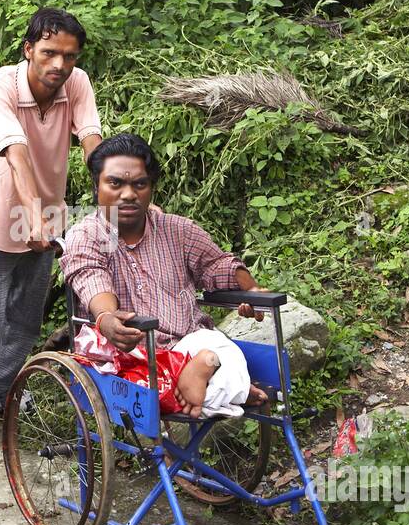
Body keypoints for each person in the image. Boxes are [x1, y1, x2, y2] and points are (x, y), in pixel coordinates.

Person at [0, 8, 103, 452]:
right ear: (29, 49)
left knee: (24, 322)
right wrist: (32, 214)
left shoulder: (76, 83)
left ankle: (0, 394)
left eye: (69, 56)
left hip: (47, 225)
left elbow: (92, 141)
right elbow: (15, 153)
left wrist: (112, 189)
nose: (60, 65)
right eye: (50, 53)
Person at [59, 133, 273, 417]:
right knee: (226, 377)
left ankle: (204, 376)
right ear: (96, 186)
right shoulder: (85, 235)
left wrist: (251, 289)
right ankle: (228, 388)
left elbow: (217, 265)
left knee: (223, 349)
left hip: (189, 344)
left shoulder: (178, 231)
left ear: (151, 188)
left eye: (139, 184)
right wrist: (107, 318)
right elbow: (91, 279)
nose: (128, 194)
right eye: (115, 183)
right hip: (132, 353)